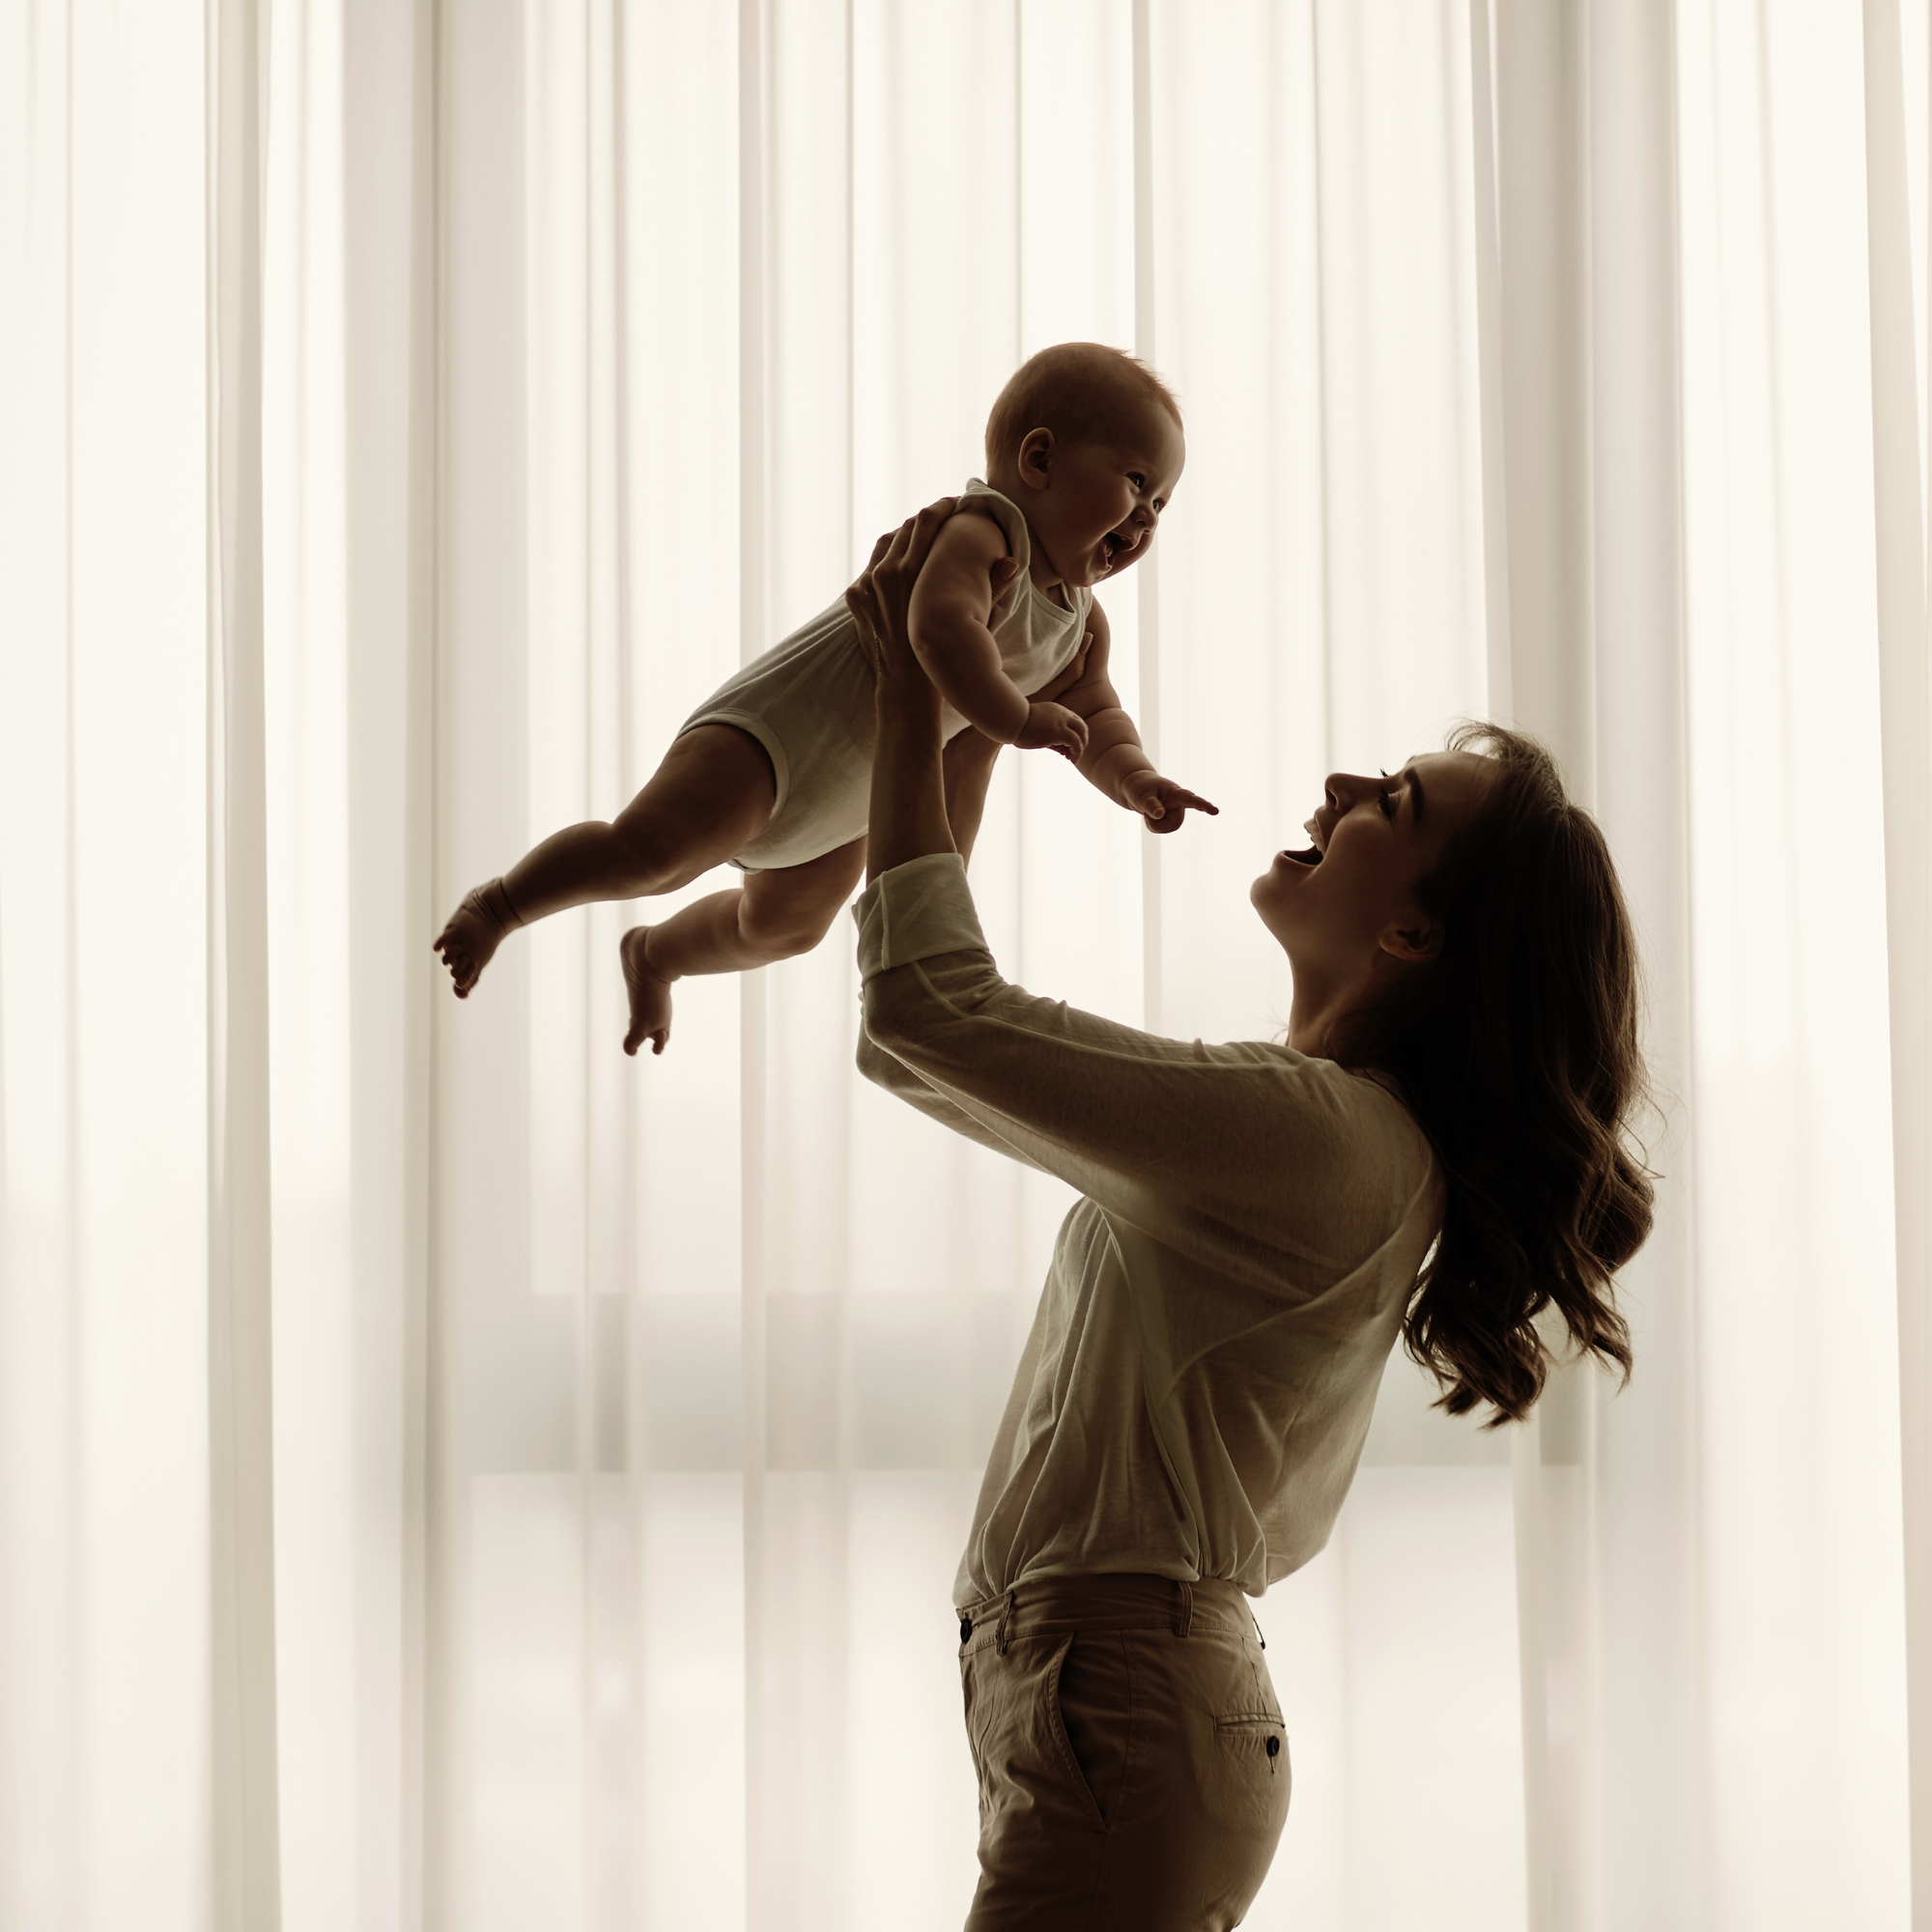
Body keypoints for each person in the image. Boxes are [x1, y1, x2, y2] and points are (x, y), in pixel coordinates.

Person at [840, 504, 1656, 1930]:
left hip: (1123, 1718)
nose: (1341, 781)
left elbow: (927, 1012)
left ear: (1412, 934)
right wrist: (965, 717)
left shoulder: (1324, 1144)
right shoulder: (1315, 1135)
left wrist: (927, 686)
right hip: (1106, 1716)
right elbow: (921, 1035)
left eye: (1390, 804)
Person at [430, 342, 1214, 1055]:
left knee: (782, 928)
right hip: (774, 740)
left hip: (847, 804)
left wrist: (1134, 777)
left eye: (1162, 505)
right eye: (1137, 482)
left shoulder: (1080, 622)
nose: (1145, 518)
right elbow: (943, 635)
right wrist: (1017, 718)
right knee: (651, 852)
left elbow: (1099, 713)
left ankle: (657, 953)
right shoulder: (983, 535)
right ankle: (501, 905)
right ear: (1039, 459)